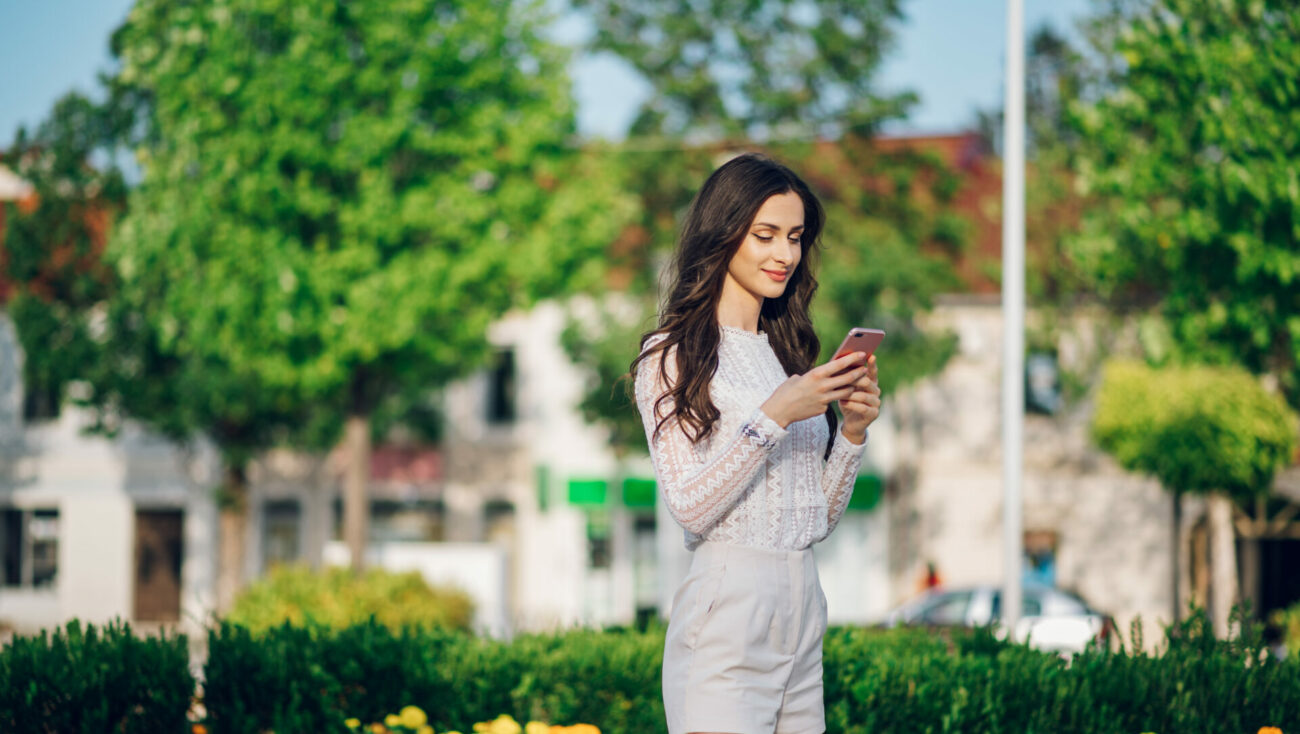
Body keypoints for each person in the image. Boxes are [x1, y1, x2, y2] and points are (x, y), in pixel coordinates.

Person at [630, 153, 881, 734]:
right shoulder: (671, 355)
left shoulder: (783, 356)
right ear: (723, 235)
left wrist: (851, 435)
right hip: (728, 607)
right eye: (764, 235)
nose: (785, 254)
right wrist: (775, 416)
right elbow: (689, 506)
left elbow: (812, 521)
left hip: (802, 603)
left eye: (794, 237)